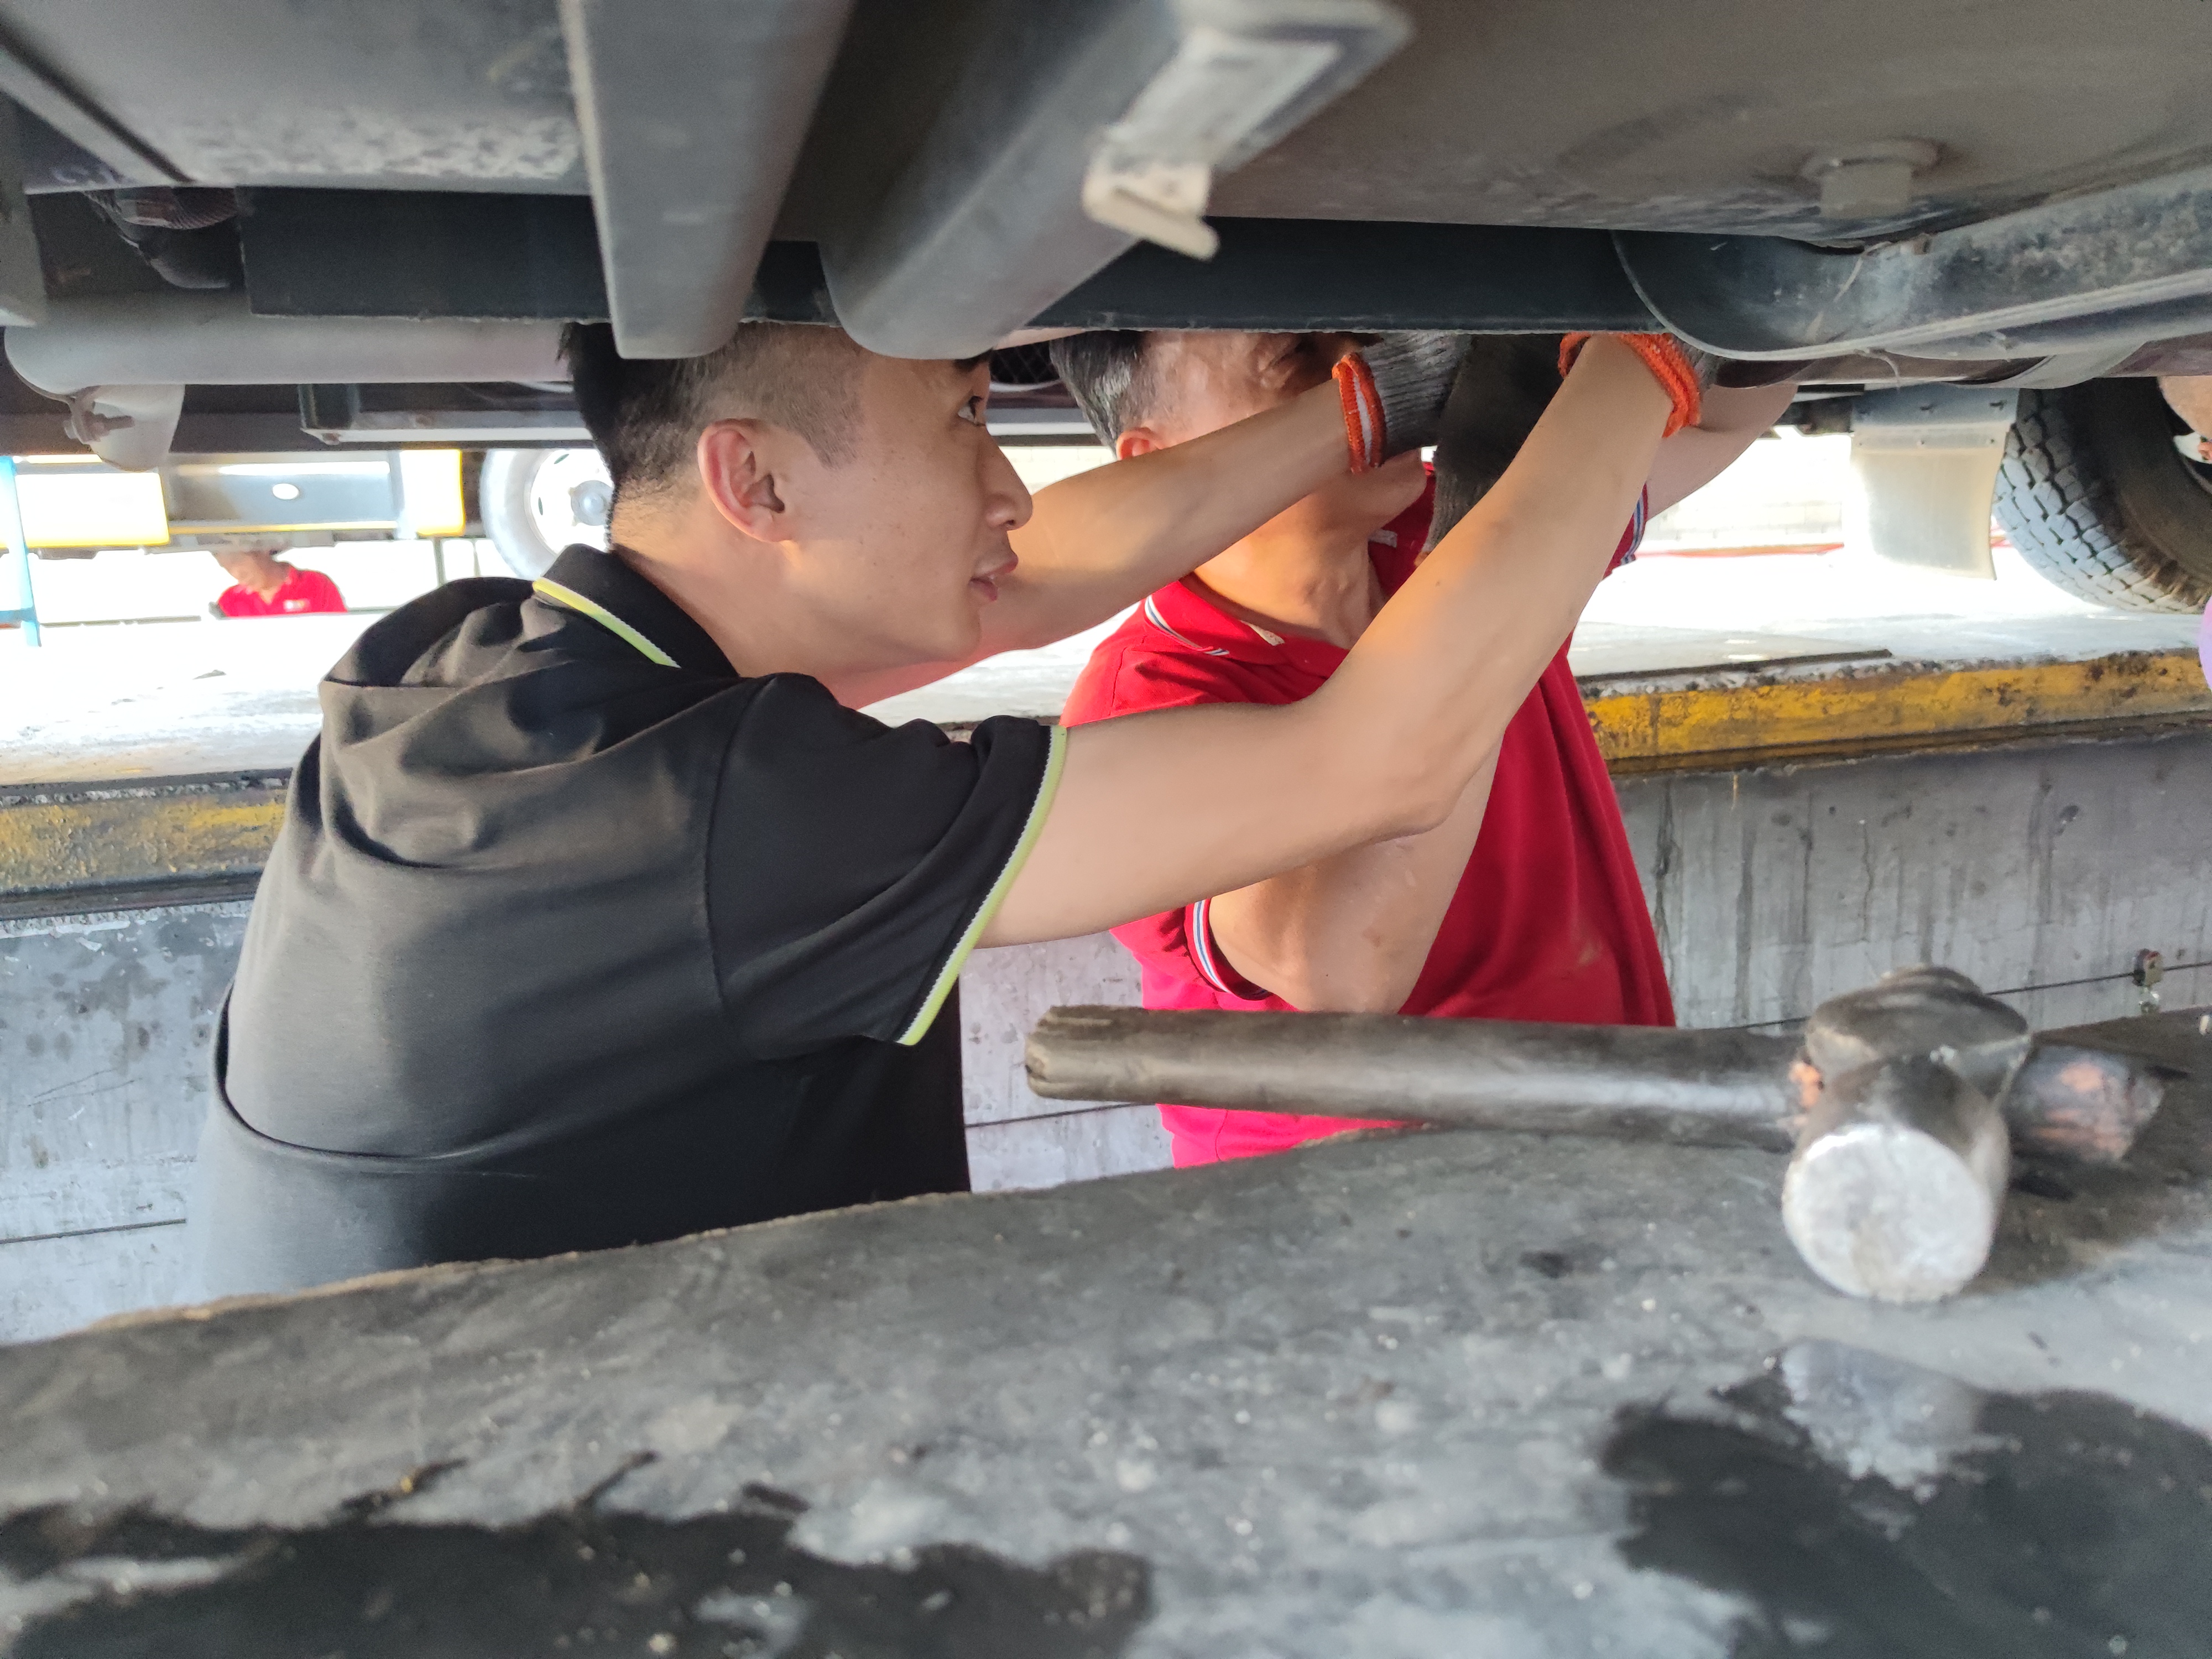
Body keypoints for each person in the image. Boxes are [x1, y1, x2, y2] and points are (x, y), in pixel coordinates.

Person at [194, 317, 1704, 1297]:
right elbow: (1376, 765)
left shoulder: (471, 668)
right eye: (965, 418)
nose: (1010, 485)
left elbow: (1028, 579)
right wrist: (1637, 366)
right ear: (756, 486)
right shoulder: (722, 817)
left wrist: (1374, 403)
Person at [1055, 330, 1795, 1167]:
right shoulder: (1142, 704)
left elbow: (1725, 418)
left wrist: (1697, 325)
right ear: (1157, 461)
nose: (1366, 367)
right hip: (1366, 1209)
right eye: (1297, 356)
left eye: (1365, 333)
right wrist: (1484, 551)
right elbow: (1338, 962)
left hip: (1613, 1141)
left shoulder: (1436, 532)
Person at [209, 545, 346, 617]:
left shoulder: (316, 584)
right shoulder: (229, 601)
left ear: (262, 550)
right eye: (226, 566)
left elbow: (340, 634)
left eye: (237, 561)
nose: (236, 573)